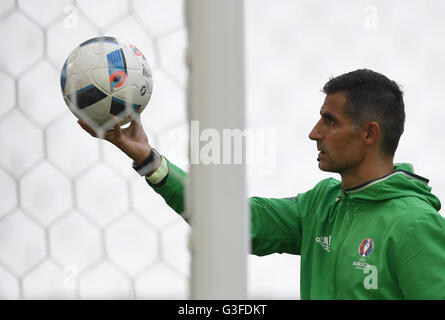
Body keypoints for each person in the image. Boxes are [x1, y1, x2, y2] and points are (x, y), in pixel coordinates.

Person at [78, 69, 445, 299]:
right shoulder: (321, 204)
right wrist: (148, 161)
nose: (313, 133)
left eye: (329, 121)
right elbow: (234, 222)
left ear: (369, 133)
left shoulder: (414, 225)